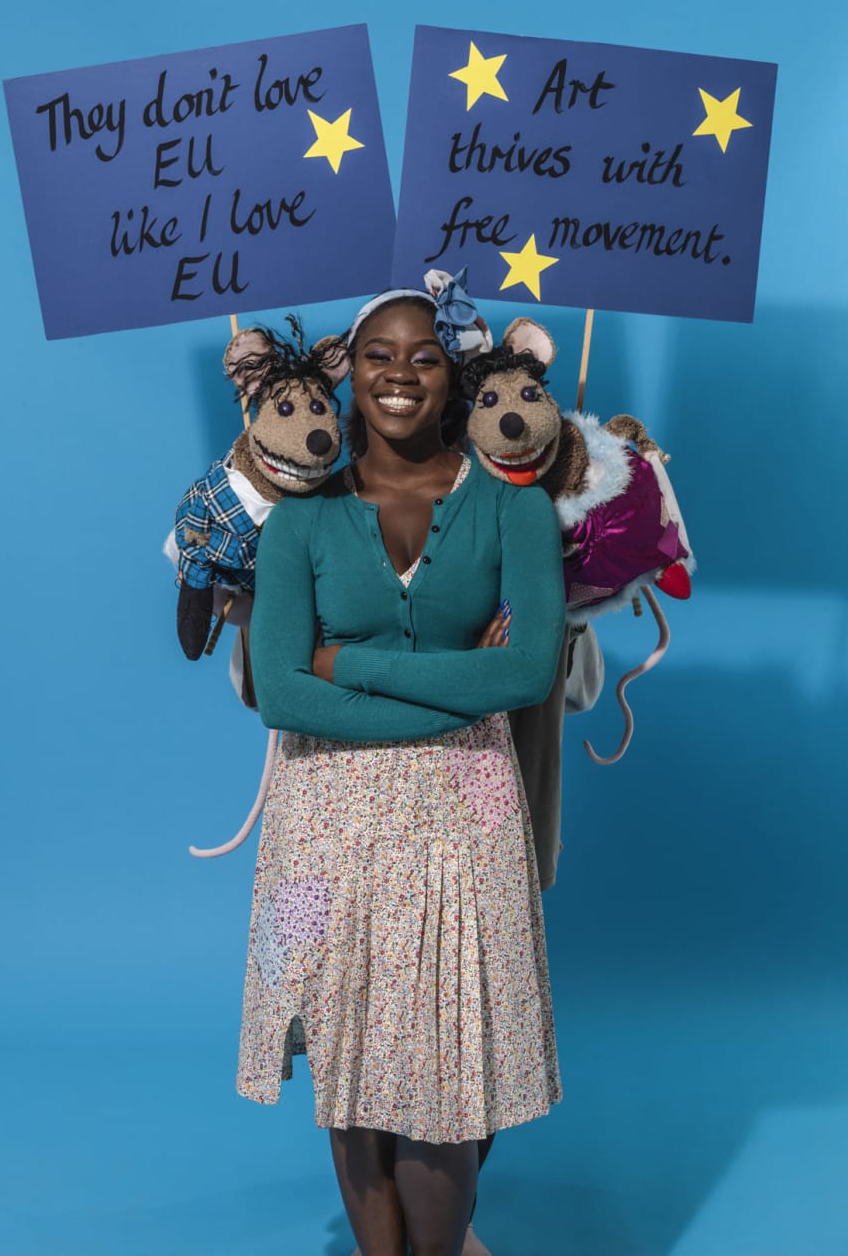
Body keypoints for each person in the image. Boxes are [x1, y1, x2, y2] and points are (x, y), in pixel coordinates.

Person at [239, 275, 566, 1256]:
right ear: (349, 374)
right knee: (347, 1056)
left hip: (466, 825)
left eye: (424, 357)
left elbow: (529, 672)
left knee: (452, 1069)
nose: (400, 374)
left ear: (453, 378)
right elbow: (281, 693)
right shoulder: (298, 521)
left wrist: (350, 665)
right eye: (378, 355)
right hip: (322, 830)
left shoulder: (513, 512)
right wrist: (454, 687)